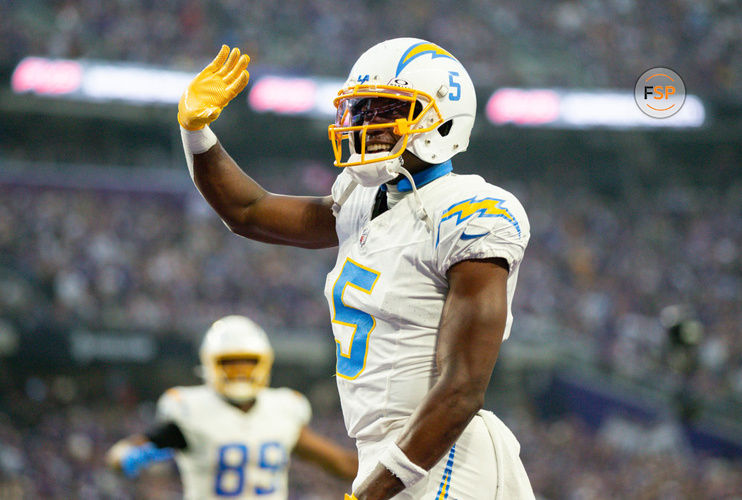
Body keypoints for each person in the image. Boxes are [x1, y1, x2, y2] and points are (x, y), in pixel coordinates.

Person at [176, 38, 534, 499]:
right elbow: (248, 212)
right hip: (397, 456)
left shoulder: (473, 212)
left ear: (443, 118)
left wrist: (372, 492)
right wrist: (196, 131)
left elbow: (461, 389)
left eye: (385, 110)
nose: (366, 123)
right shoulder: (364, 200)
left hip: (444, 456)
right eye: (360, 110)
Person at [106, 315, 358, 499]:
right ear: (210, 364)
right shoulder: (190, 412)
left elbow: (340, 464)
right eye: (231, 363)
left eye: (247, 363)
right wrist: (123, 456)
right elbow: (120, 453)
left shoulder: (282, 410)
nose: (240, 372)